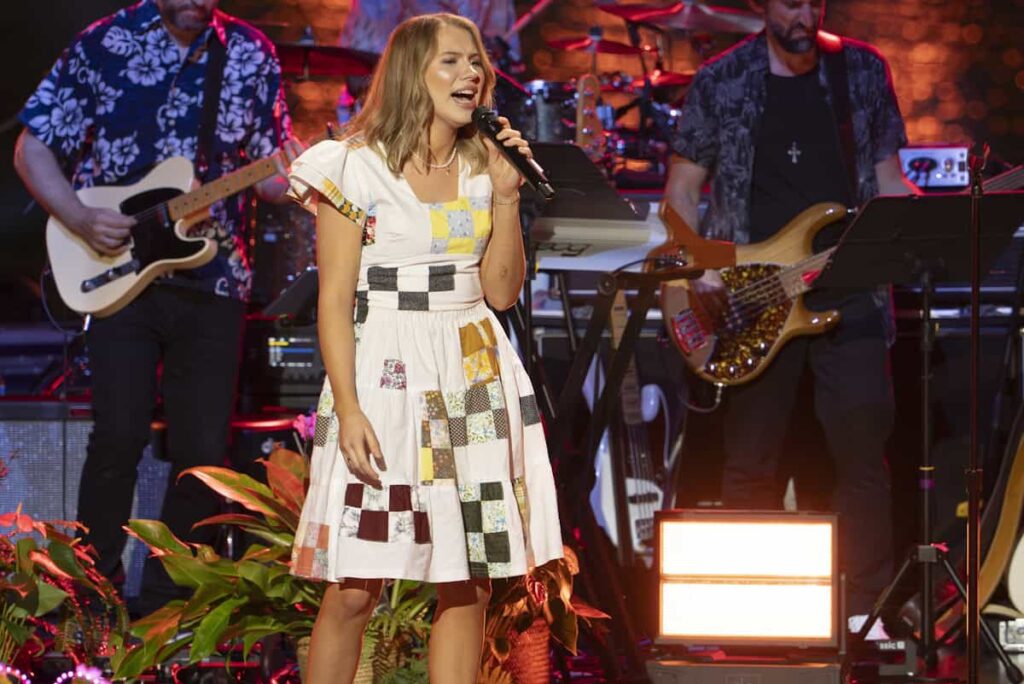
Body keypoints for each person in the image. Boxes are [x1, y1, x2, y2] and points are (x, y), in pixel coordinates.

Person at [285, 13, 563, 682]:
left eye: (477, 62)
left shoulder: (484, 166)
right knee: (355, 585)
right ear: (414, 72)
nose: (472, 74)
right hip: (385, 371)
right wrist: (349, 406)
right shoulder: (351, 167)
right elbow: (333, 301)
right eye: (452, 61)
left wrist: (505, 198)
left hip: (471, 368)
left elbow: (501, 293)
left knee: (468, 580)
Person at [13, 0, 303, 613]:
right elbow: (31, 148)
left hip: (216, 278)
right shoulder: (104, 42)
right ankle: (92, 599)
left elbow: (272, 178)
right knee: (117, 438)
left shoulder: (249, 52)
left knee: (203, 454)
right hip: (116, 272)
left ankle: (169, 606)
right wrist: (78, 217)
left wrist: (299, 172)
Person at [666, 0, 919, 621]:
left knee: (862, 460)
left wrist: (930, 219)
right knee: (749, 463)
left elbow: (888, 179)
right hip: (753, 298)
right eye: (788, 3)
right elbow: (681, 190)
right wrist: (702, 265)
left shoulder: (861, 71)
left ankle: (865, 615)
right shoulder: (722, 79)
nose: (803, 14)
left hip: (851, 291)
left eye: (813, 2)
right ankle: (744, 614)